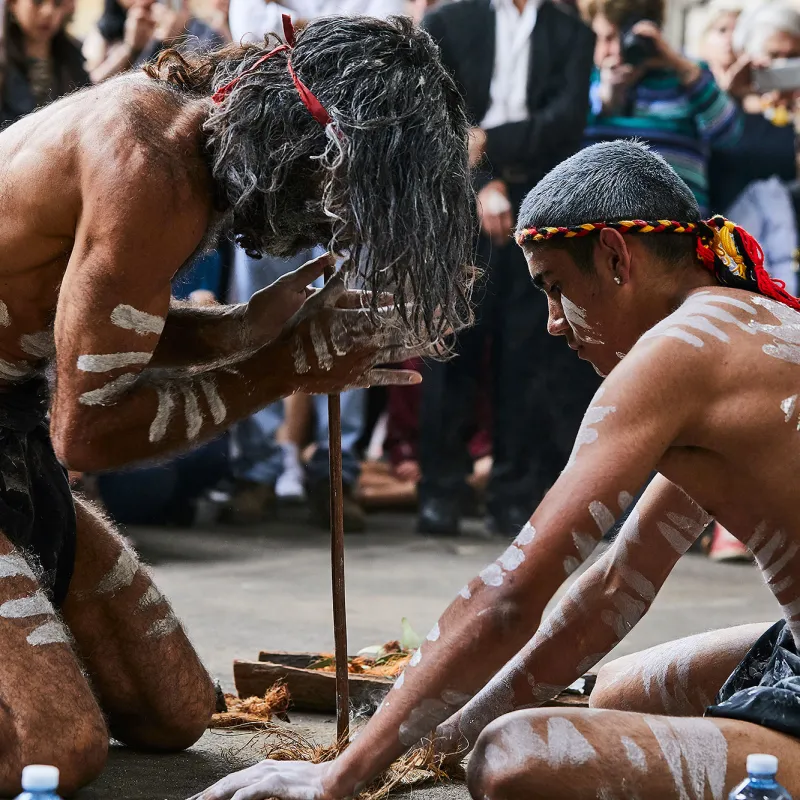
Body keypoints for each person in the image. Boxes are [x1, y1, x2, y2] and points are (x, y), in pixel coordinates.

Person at [194, 139, 800, 800]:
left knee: (513, 756)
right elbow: (616, 586)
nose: (552, 324)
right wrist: (427, 745)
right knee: (619, 690)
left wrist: (339, 776)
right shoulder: (745, 318)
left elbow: (510, 599)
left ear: (615, 258)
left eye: (556, 289)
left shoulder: (677, 353)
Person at [0, 14, 473, 794]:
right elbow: (82, 434)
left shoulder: (185, 143)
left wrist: (245, 329)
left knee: (177, 711)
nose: (324, 225)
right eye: (336, 201)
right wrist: (286, 365)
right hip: (31, 424)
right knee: (55, 751)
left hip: (8, 420)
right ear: (308, 153)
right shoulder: (146, 166)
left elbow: (98, 321)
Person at [416, 0, 600, 538]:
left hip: (542, 200)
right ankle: (440, 492)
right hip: (458, 197)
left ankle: (514, 497)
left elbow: (566, 122)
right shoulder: (448, 21)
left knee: (531, 355)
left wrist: (491, 142)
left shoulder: (571, 32)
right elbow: (436, 117)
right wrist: (481, 182)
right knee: (452, 350)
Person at [584, 0, 741, 215]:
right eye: (597, 39)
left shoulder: (688, 75)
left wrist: (680, 66)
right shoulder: (587, 79)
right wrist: (607, 98)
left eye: (611, 38)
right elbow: (560, 144)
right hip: (599, 222)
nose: (603, 51)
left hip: (675, 228)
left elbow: (729, 135)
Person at [84, 0, 231, 84]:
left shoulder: (194, 28)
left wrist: (171, 39)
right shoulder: (103, 30)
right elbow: (90, 84)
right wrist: (131, 48)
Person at [0, 0, 89, 127]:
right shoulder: (3, 63)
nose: (48, 12)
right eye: (38, 2)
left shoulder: (73, 59)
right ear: (13, 4)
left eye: (57, 4)